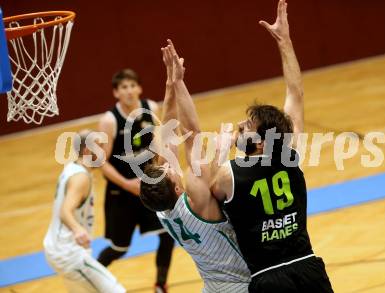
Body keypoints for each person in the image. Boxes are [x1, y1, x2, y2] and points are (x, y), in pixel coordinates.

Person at [211, 1, 334, 292]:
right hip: (308, 268)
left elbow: (206, 191)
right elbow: (296, 93)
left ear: (261, 141)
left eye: (246, 126)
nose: (240, 126)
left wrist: (220, 149)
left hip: (268, 279)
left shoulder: (230, 175)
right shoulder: (290, 157)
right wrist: (285, 41)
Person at [140, 40, 251, 293]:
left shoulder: (163, 211)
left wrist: (169, 84)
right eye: (170, 172)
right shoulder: (196, 199)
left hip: (211, 286)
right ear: (178, 188)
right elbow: (191, 135)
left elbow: (167, 132)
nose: (170, 166)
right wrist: (180, 82)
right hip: (241, 285)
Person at [97, 68, 174, 292]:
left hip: (148, 188)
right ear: (116, 93)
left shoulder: (151, 108)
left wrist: (160, 171)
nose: (129, 91)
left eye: (132, 86)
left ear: (139, 88)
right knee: (119, 248)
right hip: (121, 192)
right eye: (124, 87)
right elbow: (101, 163)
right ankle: (89, 278)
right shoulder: (109, 121)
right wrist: (126, 183)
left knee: (167, 235)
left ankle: (161, 284)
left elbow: (158, 144)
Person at [43, 130, 126, 293]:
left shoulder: (72, 167)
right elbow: (65, 211)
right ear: (88, 152)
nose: (105, 153)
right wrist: (77, 229)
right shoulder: (81, 178)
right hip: (69, 255)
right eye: (100, 148)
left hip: (56, 249)